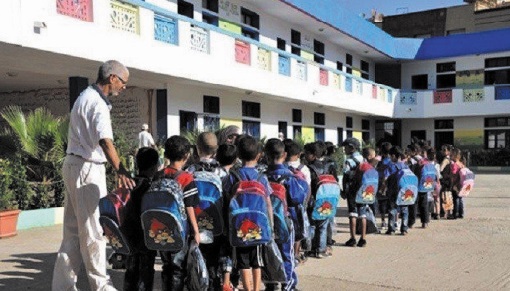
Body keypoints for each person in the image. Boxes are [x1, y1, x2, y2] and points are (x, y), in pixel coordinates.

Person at [52, 60, 135, 291]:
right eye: (123, 82)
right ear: (112, 78)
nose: (124, 87)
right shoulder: (96, 103)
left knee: (72, 233)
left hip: (74, 165)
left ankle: (63, 286)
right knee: (93, 232)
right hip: (87, 169)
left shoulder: (84, 96)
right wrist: (120, 169)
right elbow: (105, 141)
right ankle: (101, 286)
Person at [223, 135, 273, 291]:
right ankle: (257, 288)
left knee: (243, 262)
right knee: (257, 262)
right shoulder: (261, 178)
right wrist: (270, 225)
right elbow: (268, 203)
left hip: (238, 225)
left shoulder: (232, 176)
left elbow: (225, 199)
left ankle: (247, 288)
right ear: (259, 155)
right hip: (258, 225)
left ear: (237, 155)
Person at [264, 138, 307, 291]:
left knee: (268, 253)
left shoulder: (262, 176)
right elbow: (297, 198)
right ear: (285, 155)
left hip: (266, 223)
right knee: (286, 254)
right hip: (285, 221)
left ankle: (270, 283)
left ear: (265, 155)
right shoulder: (289, 177)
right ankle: (288, 285)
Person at [160, 135, 201, 290]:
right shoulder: (186, 178)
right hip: (180, 231)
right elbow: (189, 206)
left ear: (166, 155)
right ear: (186, 156)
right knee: (177, 269)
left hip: (160, 229)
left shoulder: (159, 175)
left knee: (166, 266)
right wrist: (196, 231)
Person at [121, 147, 160, 291]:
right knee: (146, 271)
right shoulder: (151, 187)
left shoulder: (129, 184)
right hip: (146, 238)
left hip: (129, 235)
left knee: (131, 269)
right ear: (155, 166)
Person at [341, 137, 366, 247]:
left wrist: (344, 191)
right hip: (363, 190)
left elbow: (345, 176)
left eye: (345, 147)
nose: (344, 149)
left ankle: (353, 238)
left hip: (352, 190)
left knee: (352, 214)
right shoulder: (363, 159)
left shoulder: (349, 161)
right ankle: (363, 239)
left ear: (351, 148)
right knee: (363, 214)